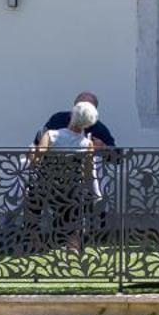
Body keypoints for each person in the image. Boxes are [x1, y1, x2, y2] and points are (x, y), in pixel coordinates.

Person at [27, 99, 104, 250]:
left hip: (46, 187)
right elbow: (88, 172)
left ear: (72, 117)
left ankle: (33, 240)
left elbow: (36, 160)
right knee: (77, 200)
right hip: (70, 191)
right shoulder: (87, 144)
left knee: (33, 199)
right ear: (88, 124)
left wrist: (31, 151)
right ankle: (72, 244)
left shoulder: (51, 135)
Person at [34, 91, 116, 149]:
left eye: (87, 109)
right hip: (51, 170)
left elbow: (117, 156)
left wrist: (104, 147)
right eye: (80, 107)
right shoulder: (58, 119)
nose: (82, 111)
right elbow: (38, 142)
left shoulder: (98, 128)